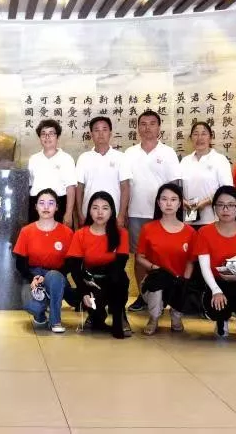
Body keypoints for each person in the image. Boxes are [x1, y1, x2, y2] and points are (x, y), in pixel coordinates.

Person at [122, 110, 181, 312]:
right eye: (143, 124)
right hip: (136, 213)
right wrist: (123, 212)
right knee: (139, 257)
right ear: (138, 128)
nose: (147, 128)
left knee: (162, 256)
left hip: (162, 216)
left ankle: (164, 296)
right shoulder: (129, 153)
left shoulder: (168, 153)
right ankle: (143, 295)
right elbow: (125, 186)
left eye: (152, 123)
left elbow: (175, 186)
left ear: (159, 127)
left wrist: (173, 214)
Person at [194, 186, 236, 347]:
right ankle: (221, 320)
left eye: (231, 205)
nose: (225, 209)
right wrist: (215, 290)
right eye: (220, 205)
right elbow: (204, 266)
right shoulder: (205, 232)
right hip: (216, 281)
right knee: (216, 303)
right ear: (214, 207)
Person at [67, 191, 131, 339]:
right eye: (95, 208)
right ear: (89, 211)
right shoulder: (80, 234)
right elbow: (75, 268)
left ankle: (119, 317)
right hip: (90, 281)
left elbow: (120, 264)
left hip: (112, 279)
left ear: (112, 211)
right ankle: (95, 314)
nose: (100, 212)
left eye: (105, 208)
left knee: (121, 279)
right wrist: (84, 292)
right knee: (96, 320)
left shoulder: (121, 233)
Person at [135, 183, 196, 335]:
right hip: (156, 279)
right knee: (158, 281)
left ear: (180, 203)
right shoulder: (148, 228)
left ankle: (176, 317)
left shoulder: (190, 232)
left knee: (184, 284)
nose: (169, 203)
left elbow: (190, 261)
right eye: (164, 199)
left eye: (173, 199)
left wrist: (185, 280)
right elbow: (139, 257)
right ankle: (154, 318)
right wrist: (153, 267)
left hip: (178, 280)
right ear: (158, 202)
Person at [14, 188, 76, 333]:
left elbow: (71, 263)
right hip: (33, 275)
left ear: (57, 207)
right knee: (32, 306)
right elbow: (20, 263)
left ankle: (55, 321)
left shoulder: (67, 232)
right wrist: (33, 277)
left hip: (57, 276)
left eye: (51, 203)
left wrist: (49, 276)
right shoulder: (26, 231)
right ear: (36, 207)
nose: (46, 207)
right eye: (41, 203)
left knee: (53, 277)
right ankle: (40, 315)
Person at [75, 117, 129, 229]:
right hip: (89, 213)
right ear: (91, 134)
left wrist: (121, 215)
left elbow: (125, 188)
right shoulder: (84, 158)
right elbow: (79, 188)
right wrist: (80, 213)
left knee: (112, 240)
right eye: (96, 130)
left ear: (110, 133)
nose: (101, 134)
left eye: (104, 129)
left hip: (114, 213)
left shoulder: (121, 157)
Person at [180, 121, 233, 229]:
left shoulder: (219, 159)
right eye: (195, 134)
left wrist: (205, 202)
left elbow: (227, 189)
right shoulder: (185, 161)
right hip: (189, 216)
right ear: (191, 138)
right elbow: (178, 187)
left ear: (211, 137)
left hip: (212, 218)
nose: (199, 138)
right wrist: (182, 201)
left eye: (204, 134)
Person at [27, 120, 77, 228]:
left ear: (57, 137)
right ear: (39, 137)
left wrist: (68, 213)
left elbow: (71, 188)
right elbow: (29, 185)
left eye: (51, 133)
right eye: (43, 134)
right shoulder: (33, 159)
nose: (47, 137)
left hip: (59, 204)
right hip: (37, 205)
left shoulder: (66, 158)